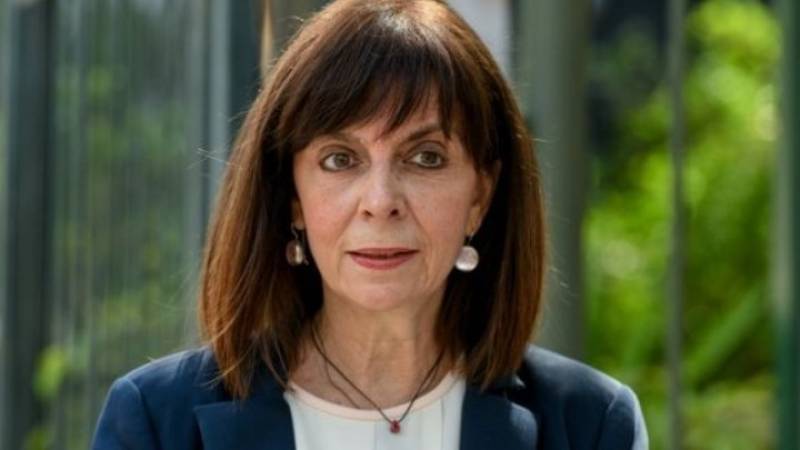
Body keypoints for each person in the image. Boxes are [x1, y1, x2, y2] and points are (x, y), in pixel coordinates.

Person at [91, 0, 648, 449]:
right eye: (341, 159)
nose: (380, 202)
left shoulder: (592, 425)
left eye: (425, 157)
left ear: (480, 195)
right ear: (292, 198)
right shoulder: (157, 420)